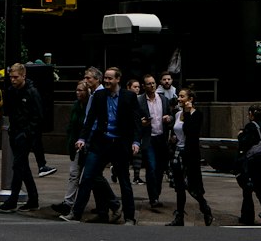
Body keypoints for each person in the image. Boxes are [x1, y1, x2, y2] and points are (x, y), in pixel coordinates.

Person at [66, 65, 140, 225]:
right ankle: (76, 214)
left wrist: (135, 141)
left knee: (124, 181)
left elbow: (136, 122)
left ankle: (129, 217)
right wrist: (82, 139)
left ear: (118, 79)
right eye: (105, 78)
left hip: (120, 143)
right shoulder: (99, 96)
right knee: (87, 177)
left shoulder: (128, 97)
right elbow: (90, 119)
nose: (106, 81)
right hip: (101, 142)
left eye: (110, 78)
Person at [0, 62, 42, 212]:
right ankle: (33, 198)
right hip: (15, 132)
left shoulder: (31, 92)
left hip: (25, 134)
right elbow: (9, 111)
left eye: (16, 77)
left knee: (18, 166)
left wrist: (27, 133)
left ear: (23, 76)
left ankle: (13, 199)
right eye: (11, 77)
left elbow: (37, 116)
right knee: (23, 167)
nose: (13, 80)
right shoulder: (12, 91)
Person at [167, 86, 213, 226]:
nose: (179, 99)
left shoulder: (196, 114)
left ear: (190, 99)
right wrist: (173, 138)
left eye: (182, 96)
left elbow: (190, 131)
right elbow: (176, 131)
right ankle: (179, 216)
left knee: (191, 186)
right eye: (179, 96)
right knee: (179, 187)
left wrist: (186, 113)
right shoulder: (177, 113)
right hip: (177, 152)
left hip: (190, 154)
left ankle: (204, 207)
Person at [53, 77, 91, 218]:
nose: (78, 92)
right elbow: (72, 126)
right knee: (74, 174)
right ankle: (68, 202)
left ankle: (106, 204)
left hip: (86, 144)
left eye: (81, 90)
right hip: (76, 144)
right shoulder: (76, 105)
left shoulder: (89, 106)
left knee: (89, 177)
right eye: (77, 90)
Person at [138, 73, 174, 210]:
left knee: (160, 169)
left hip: (161, 138)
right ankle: (153, 198)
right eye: (149, 84)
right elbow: (134, 119)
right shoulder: (140, 101)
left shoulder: (163, 100)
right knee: (151, 168)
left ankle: (156, 194)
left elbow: (170, 116)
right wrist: (141, 123)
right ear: (144, 86)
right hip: (148, 139)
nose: (152, 86)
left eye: (153, 83)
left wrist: (169, 119)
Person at [237, 104, 261, 225]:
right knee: (259, 189)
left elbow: (244, 142)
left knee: (247, 190)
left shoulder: (250, 126)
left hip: (252, 162)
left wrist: (240, 134)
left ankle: (247, 216)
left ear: (251, 114)